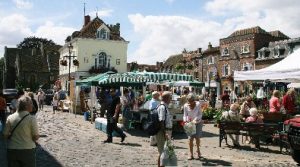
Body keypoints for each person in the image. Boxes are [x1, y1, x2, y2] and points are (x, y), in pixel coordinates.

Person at [3, 95, 39, 167]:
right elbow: (35, 137)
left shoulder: (10, 117)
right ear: (26, 106)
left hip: (12, 149)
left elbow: (5, 135)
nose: (32, 105)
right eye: (31, 104)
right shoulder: (31, 119)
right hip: (27, 150)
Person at [183, 94, 203, 160]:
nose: (190, 103)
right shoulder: (186, 105)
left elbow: (200, 114)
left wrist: (196, 119)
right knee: (190, 138)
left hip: (198, 123)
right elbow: (185, 115)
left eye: (191, 101)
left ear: (194, 100)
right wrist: (185, 120)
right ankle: (190, 153)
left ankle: (198, 151)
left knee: (197, 138)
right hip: (190, 123)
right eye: (188, 101)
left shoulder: (198, 104)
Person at [156, 91, 172, 167]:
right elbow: (161, 121)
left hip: (165, 131)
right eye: (170, 98)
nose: (171, 100)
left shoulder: (164, 106)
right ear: (166, 98)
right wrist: (165, 132)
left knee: (164, 151)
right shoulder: (162, 107)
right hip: (162, 131)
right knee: (162, 151)